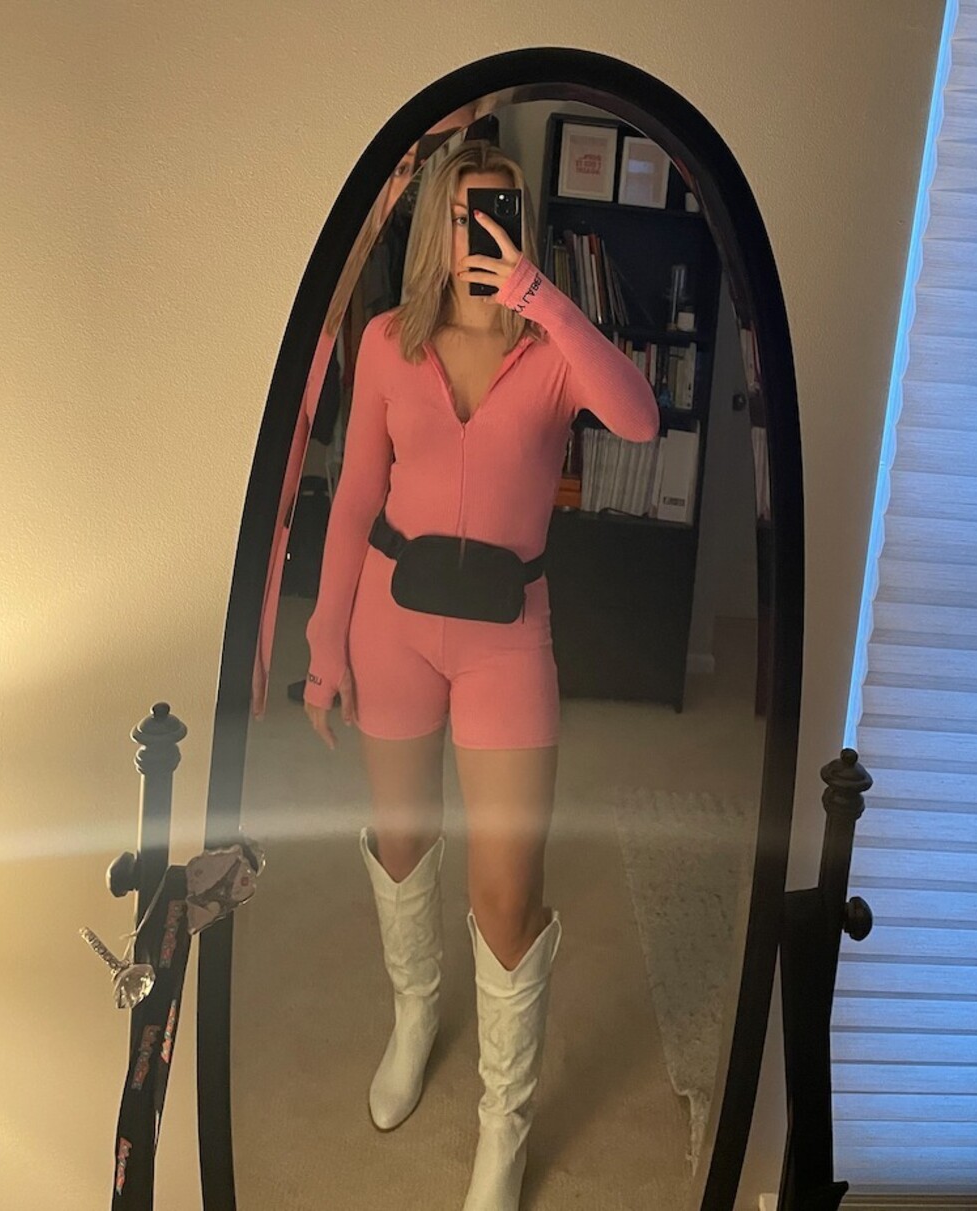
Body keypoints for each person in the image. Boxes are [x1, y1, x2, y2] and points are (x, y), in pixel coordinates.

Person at [302, 139, 659, 1210]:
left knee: (509, 890)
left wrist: (539, 295)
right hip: (392, 622)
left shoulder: (552, 347)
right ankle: (416, 1010)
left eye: (495, 210)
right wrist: (323, 643)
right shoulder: (386, 342)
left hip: (508, 635)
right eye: (460, 214)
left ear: (521, 221)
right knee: (403, 838)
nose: (477, 232)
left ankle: (503, 1122)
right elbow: (354, 496)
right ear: (434, 228)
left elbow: (640, 417)